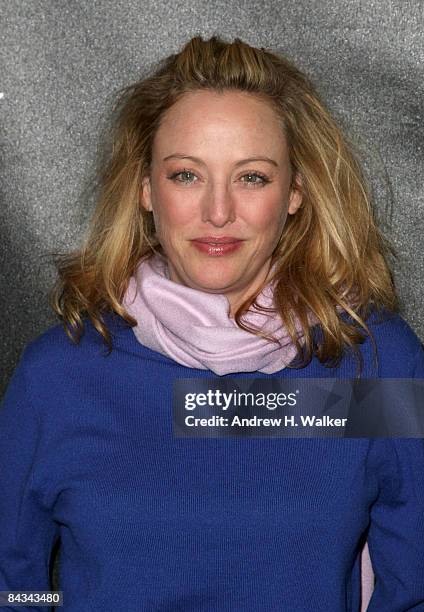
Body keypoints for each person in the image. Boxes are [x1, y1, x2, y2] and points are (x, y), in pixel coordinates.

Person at [0, 34, 423, 612]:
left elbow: (415, 584)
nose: (217, 212)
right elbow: (12, 581)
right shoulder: (59, 376)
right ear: (146, 188)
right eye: (186, 175)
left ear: (295, 192)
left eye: (251, 176)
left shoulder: (375, 366)